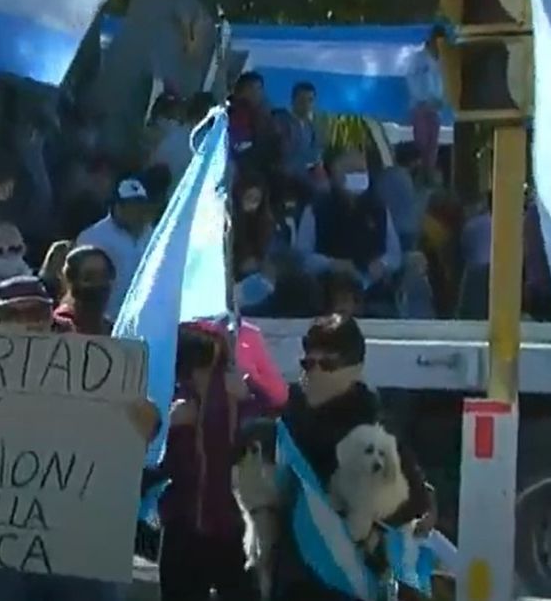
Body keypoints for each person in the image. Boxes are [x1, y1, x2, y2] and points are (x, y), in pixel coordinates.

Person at [0, 276, 159, 601]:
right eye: (14, 314)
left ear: (51, 315)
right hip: (1, 541)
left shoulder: (95, 366)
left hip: (79, 540)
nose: (27, 323)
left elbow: (146, 431)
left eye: (36, 312)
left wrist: (137, 410)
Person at [272, 314, 431, 600]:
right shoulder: (292, 419)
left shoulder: (374, 428)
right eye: (308, 363)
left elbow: (414, 501)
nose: (314, 372)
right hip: (294, 579)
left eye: (327, 364)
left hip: (351, 583)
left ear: (355, 369)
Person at [158, 322, 285, 601]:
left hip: (236, 523)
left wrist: (248, 401)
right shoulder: (175, 402)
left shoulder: (242, 394)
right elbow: (151, 460)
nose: (210, 376)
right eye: (201, 367)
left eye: (219, 366)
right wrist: (166, 424)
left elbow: (274, 429)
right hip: (184, 520)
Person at [295, 148, 402, 317]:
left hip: (370, 286)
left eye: (361, 171)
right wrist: (331, 264)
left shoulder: (378, 208)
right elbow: (303, 256)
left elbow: (394, 254)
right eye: (352, 171)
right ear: (337, 175)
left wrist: (383, 264)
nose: (359, 176)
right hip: (329, 286)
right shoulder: (317, 209)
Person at [75, 177, 154, 319]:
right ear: (117, 207)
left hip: (144, 318)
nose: (137, 212)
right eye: (131, 206)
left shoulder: (154, 235)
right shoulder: (92, 237)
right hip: (106, 320)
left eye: (140, 205)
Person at [406, 26, 446, 178]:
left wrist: (440, 100)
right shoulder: (418, 58)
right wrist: (421, 100)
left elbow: (445, 84)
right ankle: (419, 172)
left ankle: (429, 173)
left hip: (435, 108)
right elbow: (411, 80)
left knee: (432, 146)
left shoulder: (444, 60)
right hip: (420, 106)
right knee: (422, 143)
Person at [274, 81, 325, 194]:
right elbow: (285, 154)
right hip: (287, 175)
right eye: (302, 100)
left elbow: (318, 150)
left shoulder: (312, 126)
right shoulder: (281, 121)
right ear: (293, 100)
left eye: (310, 100)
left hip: (308, 173)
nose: (306, 105)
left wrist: (317, 165)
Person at [53, 245, 115, 335]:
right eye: (89, 278)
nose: (98, 284)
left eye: (104, 276)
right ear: (71, 281)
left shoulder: (112, 329)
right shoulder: (58, 327)